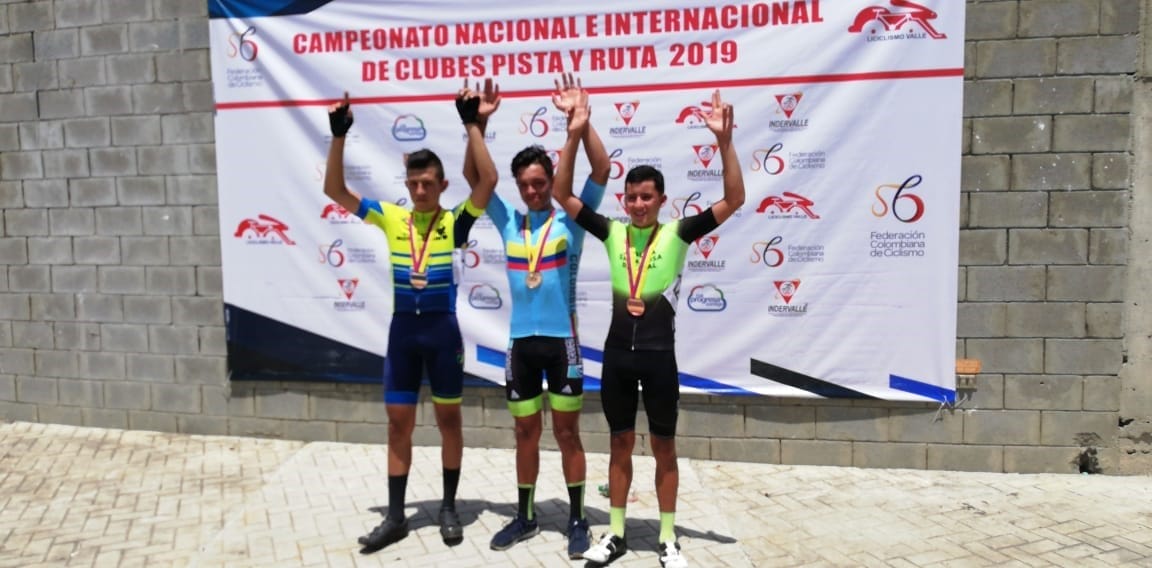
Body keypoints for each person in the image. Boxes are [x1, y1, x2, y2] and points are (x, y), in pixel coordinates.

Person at [551, 88, 745, 568]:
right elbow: (562, 195)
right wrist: (574, 134)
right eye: (632, 197)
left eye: (646, 197)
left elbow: (735, 198)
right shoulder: (612, 232)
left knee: (663, 448)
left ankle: (667, 538)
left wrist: (724, 143)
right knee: (619, 444)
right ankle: (616, 534)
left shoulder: (679, 232)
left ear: (661, 199)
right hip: (617, 356)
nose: (638, 204)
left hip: (660, 358)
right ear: (625, 199)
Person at [322, 81, 499, 553]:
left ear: (442, 186)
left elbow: (487, 181)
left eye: (428, 184)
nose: (420, 191)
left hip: (442, 333)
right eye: (414, 184)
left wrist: (472, 124)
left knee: (449, 423)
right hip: (403, 333)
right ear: (406, 185)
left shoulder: (455, 222)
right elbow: (334, 190)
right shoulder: (391, 218)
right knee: (397, 424)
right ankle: (397, 517)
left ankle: (448, 507)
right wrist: (338, 135)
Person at [463, 74, 609, 559]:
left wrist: (580, 124)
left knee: (567, 433)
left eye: (540, 183)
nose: (532, 192)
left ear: (551, 180)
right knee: (525, 433)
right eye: (525, 185)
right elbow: (474, 178)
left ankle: (577, 519)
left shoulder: (571, 218)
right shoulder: (508, 220)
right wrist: (477, 125)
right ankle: (525, 517)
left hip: (563, 344)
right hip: (520, 346)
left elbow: (602, 170)